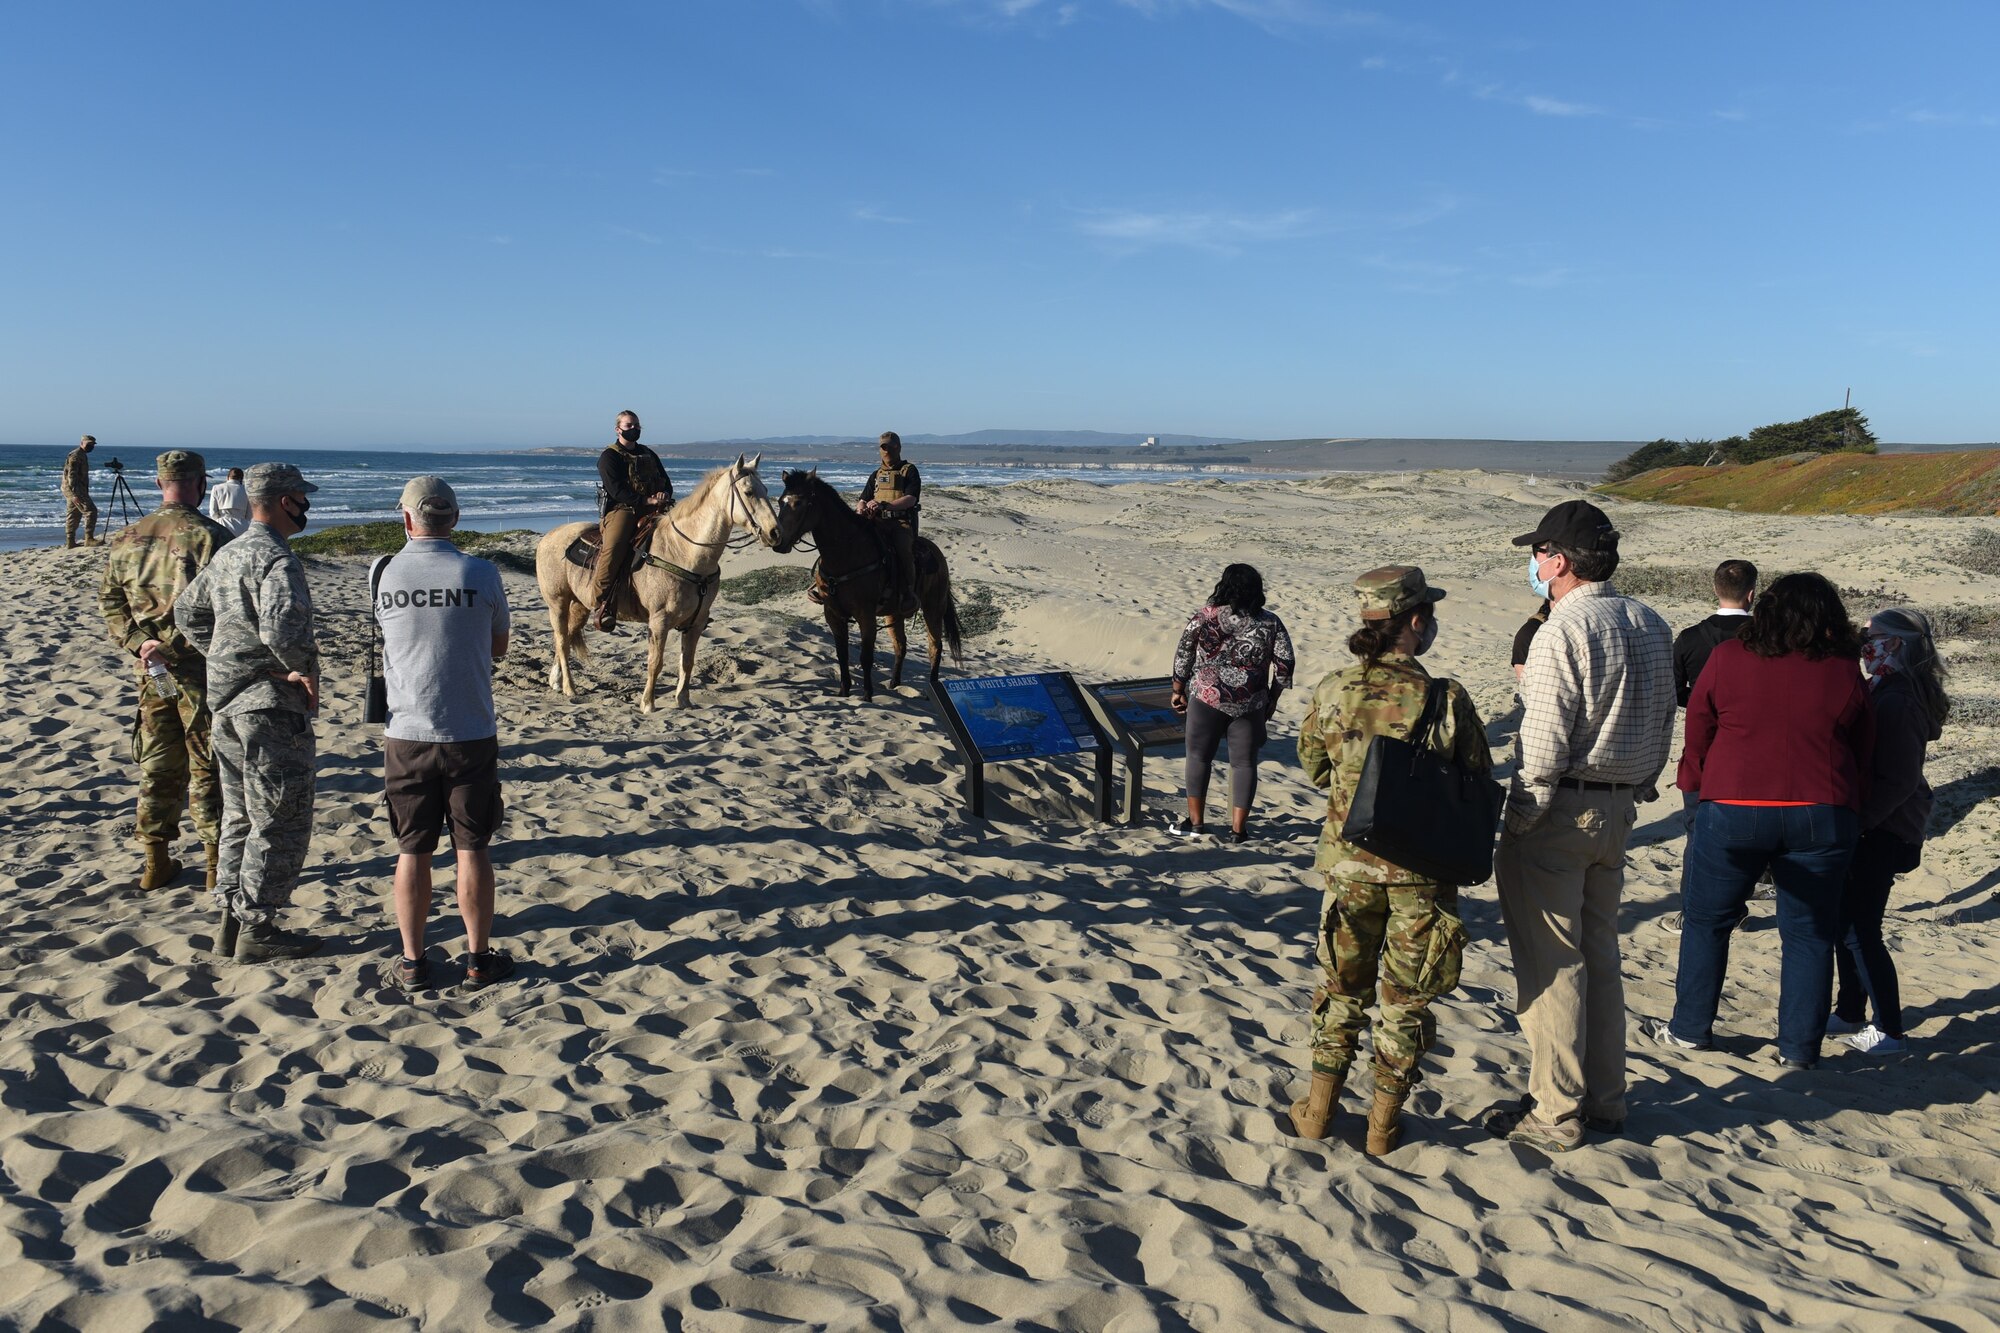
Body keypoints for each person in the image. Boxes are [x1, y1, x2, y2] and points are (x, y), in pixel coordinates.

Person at [1488, 499, 1675, 1152]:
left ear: (1559, 561)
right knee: (1600, 955)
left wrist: (1520, 818)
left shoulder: (1560, 633)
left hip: (1561, 808)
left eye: (1538, 553)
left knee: (1554, 964)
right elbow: (1661, 723)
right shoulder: (1651, 622)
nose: (1534, 564)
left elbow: (1540, 744)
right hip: (1620, 805)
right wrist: (1639, 786)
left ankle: (1556, 1109)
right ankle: (1606, 1098)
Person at [1292, 565, 1490, 1155]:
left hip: (1349, 866)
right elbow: (1475, 777)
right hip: (1422, 872)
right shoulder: (1445, 696)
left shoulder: (1332, 688)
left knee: (1340, 989)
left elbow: (1316, 766)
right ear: (1415, 621)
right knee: (1404, 1002)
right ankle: (1382, 1125)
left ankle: (1318, 1110)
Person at [1648, 573, 1873, 1069]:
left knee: (1707, 921)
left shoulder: (1729, 657)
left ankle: (1690, 1030)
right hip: (1822, 809)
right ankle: (1798, 1049)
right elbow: (1863, 742)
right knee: (1808, 935)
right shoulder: (1842, 667)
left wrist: (1697, 784)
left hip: (1733, 805)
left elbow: (1699, 724)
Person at [175, 462, 324, 963]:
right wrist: (301, 671)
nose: (306, 506)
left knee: (239, 815)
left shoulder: (229, 552)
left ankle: (230, 920)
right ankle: (258, 927)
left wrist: (222, 655)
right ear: (286, 501)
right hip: (268, 707)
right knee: (280, 817)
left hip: (226, 703)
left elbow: (188, 612)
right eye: (302, 497)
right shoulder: (277, 560)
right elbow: (282, 632)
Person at [374, 476, 515, 990]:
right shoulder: (481, 571)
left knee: (412, 850)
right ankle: (477, 959)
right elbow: (498, 647)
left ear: (407, 518)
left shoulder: (383, 572)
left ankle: (413, 963)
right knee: (471, 847)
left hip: (407, 731)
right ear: (454, 518)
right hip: (470, 729)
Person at [98, 450, 233, 892]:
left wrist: (141, 644)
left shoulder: (127, 537)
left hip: (152, 668)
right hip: (200, 669)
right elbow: (229, 610)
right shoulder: (211, 536)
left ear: (159, 483)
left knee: (158, 764)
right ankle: (214, 864)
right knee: (206, 766)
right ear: (200, 483)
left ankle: (155, 860)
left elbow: (111, 604)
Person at [1830, 608, 1947, 1055]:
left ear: (1895, 644)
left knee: (1862, 929)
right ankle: (1849, 1011)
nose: (1865, 642)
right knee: (1847, 924)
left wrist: (1861, 823)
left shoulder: (1898, 698)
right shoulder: (1888, 687)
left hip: (1883, 828)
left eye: (1872, 635)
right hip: (1878, 824)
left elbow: (1898, 779)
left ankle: (1890, 1029)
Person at [1166, 563, 1295, 843]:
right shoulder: (1270, 622)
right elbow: (1285, 664)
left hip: (1207, 696)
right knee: (1244, 764)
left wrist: (1178, 688)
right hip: (1250, 701)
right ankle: (1238, 831)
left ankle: (1196, 823)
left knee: (1199, 757)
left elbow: (1183, 653)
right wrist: (1272, 698)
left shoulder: (1204, 616)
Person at [1663, 559, 1759, 934]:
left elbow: (1673, 691)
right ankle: (1736, 905)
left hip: (1703, 747)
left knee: (1698, 833)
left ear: (1715, 589)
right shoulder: (1767, 638)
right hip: (1754, 749)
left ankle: (1692, 909)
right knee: (1750, 834)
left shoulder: (1689, 637)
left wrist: (1702, 702)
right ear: (1752, 594)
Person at [591, 410, 672, 631]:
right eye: (629, 425)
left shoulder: (648, 454)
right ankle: (602, 601)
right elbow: (616, 490)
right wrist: (646, 500)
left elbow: (665, 481)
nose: (634, 429)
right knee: (614, 547)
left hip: (654, 507)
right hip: (623, 509)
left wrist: (663, 494)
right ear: (618, 429)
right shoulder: (609, 457)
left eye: (636, 425)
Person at [857, 430, 920, 612]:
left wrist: (885, 506)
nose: (886, 451)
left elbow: (911, 499)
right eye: (883, 447)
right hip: (876, 523)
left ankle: (909, 592)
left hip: (900, 523)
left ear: (898, 447)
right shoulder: (876, 474)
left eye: (890, 447)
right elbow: (863, 498)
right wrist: (861, 509)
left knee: (903, 550)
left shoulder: (909, 471)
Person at [63, 434, 101, 548]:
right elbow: (71, 477)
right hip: (75, 489)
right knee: (91, 511)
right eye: (88, 444)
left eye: (92, 445)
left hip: (75, 489)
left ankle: (70, 542)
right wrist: (74, 495)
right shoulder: (76, 456)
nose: (91, 447)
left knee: (74, 514)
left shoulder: (82, 455)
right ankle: (88, 539)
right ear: (82, 443)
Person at [208, 466, 251, 536]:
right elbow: (249, 514)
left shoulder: (217, 488)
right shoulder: (247, 490)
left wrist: (219, 521)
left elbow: (213, 512)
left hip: (222, 524)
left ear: (228, 477)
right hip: (242, 526)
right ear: (241, 479)